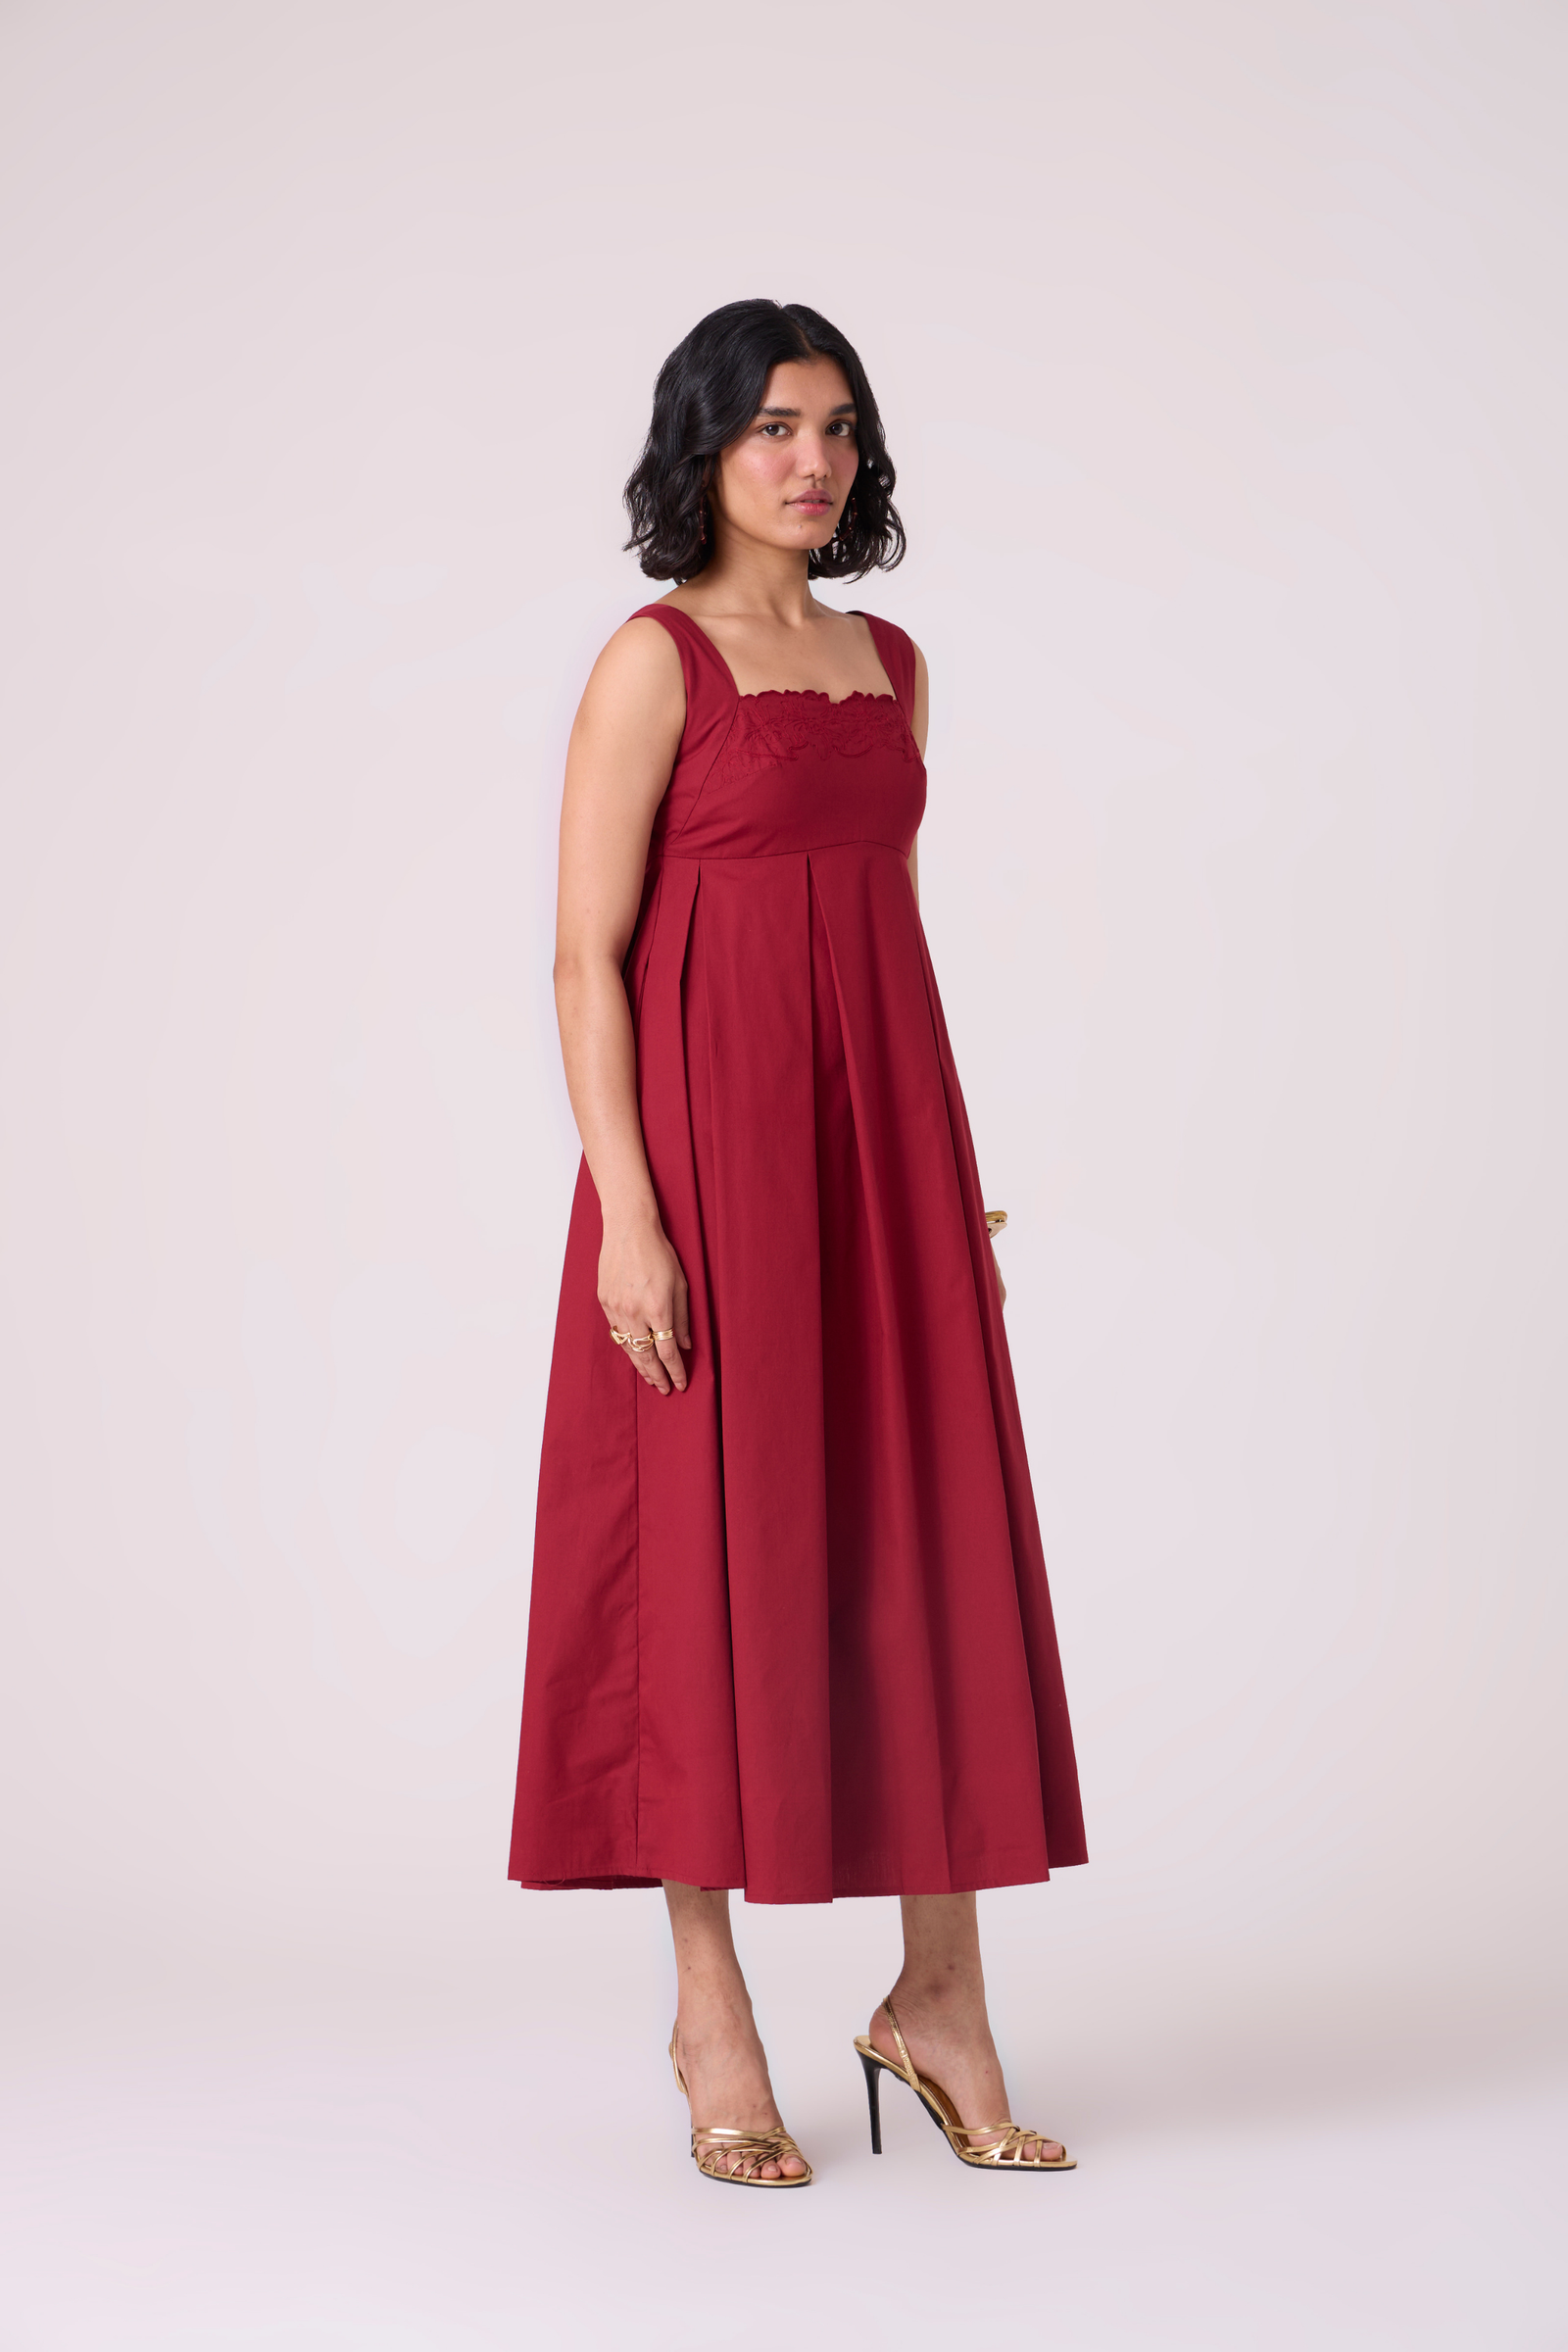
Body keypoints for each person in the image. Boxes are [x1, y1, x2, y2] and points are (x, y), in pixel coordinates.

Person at [509, 300, 1087, 2185]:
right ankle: (712, 2011)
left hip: (877, 1158)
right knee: (705, 1548)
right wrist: (631, 1218)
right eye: (771, 426)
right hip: (704, 1164)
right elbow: (587, 958)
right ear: (704, 448)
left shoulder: (892, 662)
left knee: (924, 1538)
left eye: (837, 427)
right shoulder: (654, 660)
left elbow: (890, 925)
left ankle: (942, 1997)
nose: (811, 460)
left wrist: (940, 1171)